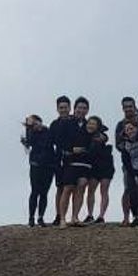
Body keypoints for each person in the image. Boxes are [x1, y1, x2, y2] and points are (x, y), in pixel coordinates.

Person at [55, 97, 91, 226]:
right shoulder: (67, 123)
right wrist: (70, 149)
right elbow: (58, 141)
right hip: (69, 160)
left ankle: (75, 217)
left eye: (84, 108)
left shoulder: (89, 124)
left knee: (81, 186)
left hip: (85, 162)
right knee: (68, 187)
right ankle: (62, 218)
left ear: (87, 110)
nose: (81, 110)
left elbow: (100, 131)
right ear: (74, 109)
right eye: (79, 108)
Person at [20, 115, 56, 227]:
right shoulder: (31, 133)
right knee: (35, 191)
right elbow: (28, 145)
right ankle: (31, 217)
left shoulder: (48, 131)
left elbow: (49, 144)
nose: (35, 126)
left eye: (36, 123)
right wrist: (28, 128)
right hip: (36, 165)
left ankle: (40, 217)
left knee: (44, 192)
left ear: (40, 122)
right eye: (33, 124)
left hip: (49, 165)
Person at [46, 95, 76, 226]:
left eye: (65, 107)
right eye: (61, 107)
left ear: (70, 108)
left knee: (71, 187)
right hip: (58, 158)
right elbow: (49, 142)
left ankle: (72, 216)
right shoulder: (54, 124)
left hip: (74, 158)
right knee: (60, 187)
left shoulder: (75, 122)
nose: (63, 110)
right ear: (57, 109)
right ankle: (59, 215)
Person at [113, 96, 138, 226]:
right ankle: (126, 217)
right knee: (128, 189)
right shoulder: (120, 125)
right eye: (126, 107)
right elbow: (118, 145)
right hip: (129, 163)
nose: (128, 109)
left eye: (130, 106)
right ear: (122, 108)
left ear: (135, 106)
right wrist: (128, 144)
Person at [83, 116, 114, 224]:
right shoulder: (84, 135)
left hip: (105, 165)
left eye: (93, 124)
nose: (90, 125)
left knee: (104, 190)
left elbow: (103, 137)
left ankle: (101, 216)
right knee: (91, 190)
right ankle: (90, 215)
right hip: (93, 166)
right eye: (89, 123)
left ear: (98, 126)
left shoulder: (100, 135)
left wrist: (102, 137)